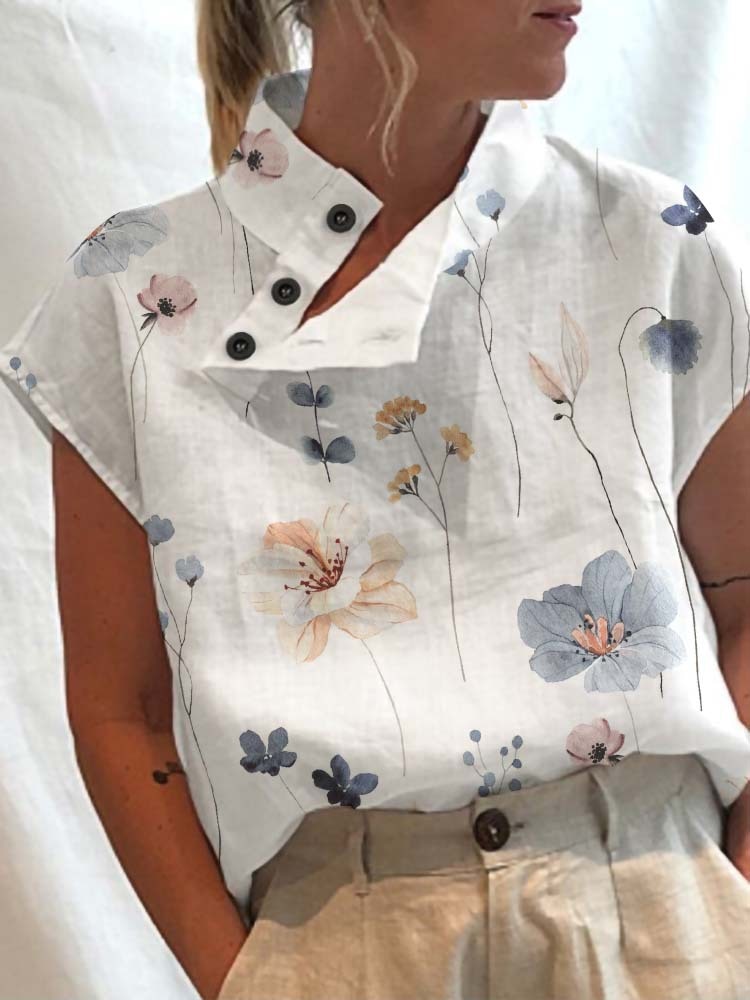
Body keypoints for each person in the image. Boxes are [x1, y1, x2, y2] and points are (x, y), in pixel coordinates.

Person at [2, 0, 750, 997]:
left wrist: (729, 903)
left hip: (667, 925)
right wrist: (248, 980)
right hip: (342, 946)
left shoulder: (651, 244)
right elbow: (120, 711)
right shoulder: (133, 297)